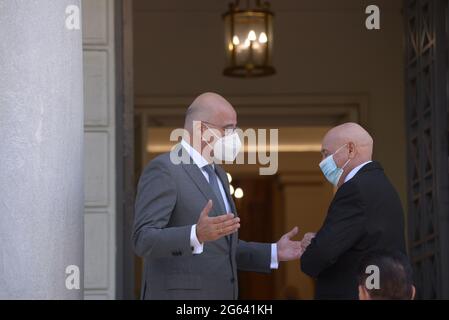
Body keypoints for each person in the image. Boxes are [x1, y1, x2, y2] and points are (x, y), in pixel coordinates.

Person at [133, 92, 306, 300]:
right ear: (201, 129)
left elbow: (222, 248)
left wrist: (273, 252)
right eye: (228, 128)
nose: (235, 136)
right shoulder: (165, 169)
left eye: (236, 128)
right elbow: (143, 239)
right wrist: (195, 234)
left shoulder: (219, 174)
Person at [300, 122, 407, 299]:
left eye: (326, 154)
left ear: (350, 149)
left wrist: (312, 246)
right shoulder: (383, 186)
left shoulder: (354, 190)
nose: (322, 162)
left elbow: (321, 254)